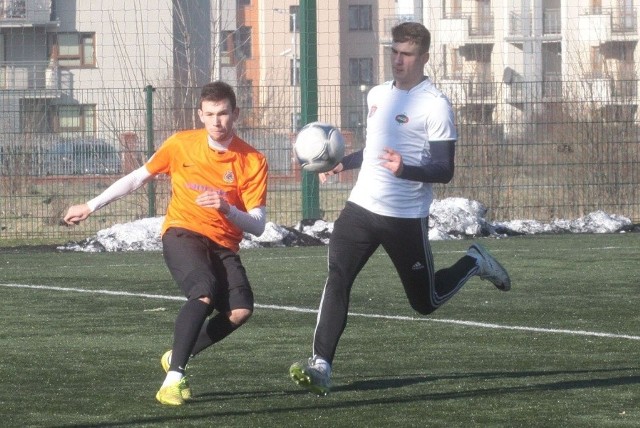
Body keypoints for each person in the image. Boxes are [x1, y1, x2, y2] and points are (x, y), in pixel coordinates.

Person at [289, 22, 511, 396]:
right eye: (393, 51)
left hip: (405, 218)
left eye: (406, 54)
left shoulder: (435, 105)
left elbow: (444, 169)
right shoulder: (377, 94)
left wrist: (404, 169)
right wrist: (345, 162)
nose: (398, 60)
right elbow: (376, 148)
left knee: (426, 302)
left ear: (423, 57)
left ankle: (474, 261)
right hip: (360, 208)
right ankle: (321, 364)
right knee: (338, 276)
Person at [63, 81, 268, 406]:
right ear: (200, 114)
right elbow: (137, 177)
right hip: (182, 232)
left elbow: (258, 225)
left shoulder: (253, 160)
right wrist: (91, 205)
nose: (217, 121)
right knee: (203, 291)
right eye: (210, 114)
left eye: (224, 113)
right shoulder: (181, 144)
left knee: (240, 310)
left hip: (223, 243)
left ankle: (178, 352)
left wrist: (227, 208)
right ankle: (173, 379)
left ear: (236, 114)